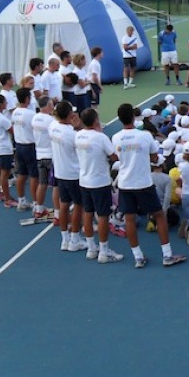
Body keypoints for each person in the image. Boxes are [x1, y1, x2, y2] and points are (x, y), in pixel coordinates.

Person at [112, 103, 186, 268]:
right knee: (159, 215)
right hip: (143, 183)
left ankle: (138, 257)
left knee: (129, 219)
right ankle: (167, 255)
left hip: (125, 183)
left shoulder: (115, 137)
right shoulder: (144, 136)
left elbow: (117, 157)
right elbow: (154, 158)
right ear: (133, 117)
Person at [75, 108, 124, 263]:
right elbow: (114, 156)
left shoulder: (78, 136)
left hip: (84, 181)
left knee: (87, 213)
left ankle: (91, 248)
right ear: (95, 121)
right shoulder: (101, 137)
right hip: (100, 182)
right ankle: (103, 251)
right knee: (103, 216)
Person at [49, 100, 85, 250]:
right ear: (70, 114)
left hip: (60, 172)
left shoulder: (53, 127)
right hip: (74, 174)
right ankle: (75, 239)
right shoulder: (72, 134)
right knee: (78, 205)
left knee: (64, 205)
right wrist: (78, 127)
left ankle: (65, 239)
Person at [12, 88, 38, 212]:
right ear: (27, 99)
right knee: (33, 175)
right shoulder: (30, 114)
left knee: (21, 175)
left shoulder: (15, 112)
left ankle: (21, 201)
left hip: (19, 146)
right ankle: (35, 203)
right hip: (29, 146)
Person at [31, 96, 56, 219]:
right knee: (57, 187)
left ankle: (39, 209)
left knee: (42, 183)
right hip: (51, 155)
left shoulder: (35, 118)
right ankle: (58, 214)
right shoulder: (51, 121)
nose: (53, 107)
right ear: (47, 105)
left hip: (39, 155)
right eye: (51, 104)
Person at [121, 25, 138, 89]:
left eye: (131, 31)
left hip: (133, 56)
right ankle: (125, 83)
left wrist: (129, 47)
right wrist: (131, 47)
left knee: (133, 68)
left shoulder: (134, 37)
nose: (130, 32)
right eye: (129, 31)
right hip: (126, 56)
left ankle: (130, 83)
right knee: (126, 68)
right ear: (127, 31)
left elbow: (136, 46)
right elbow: (125, 48)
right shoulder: (124, 38)